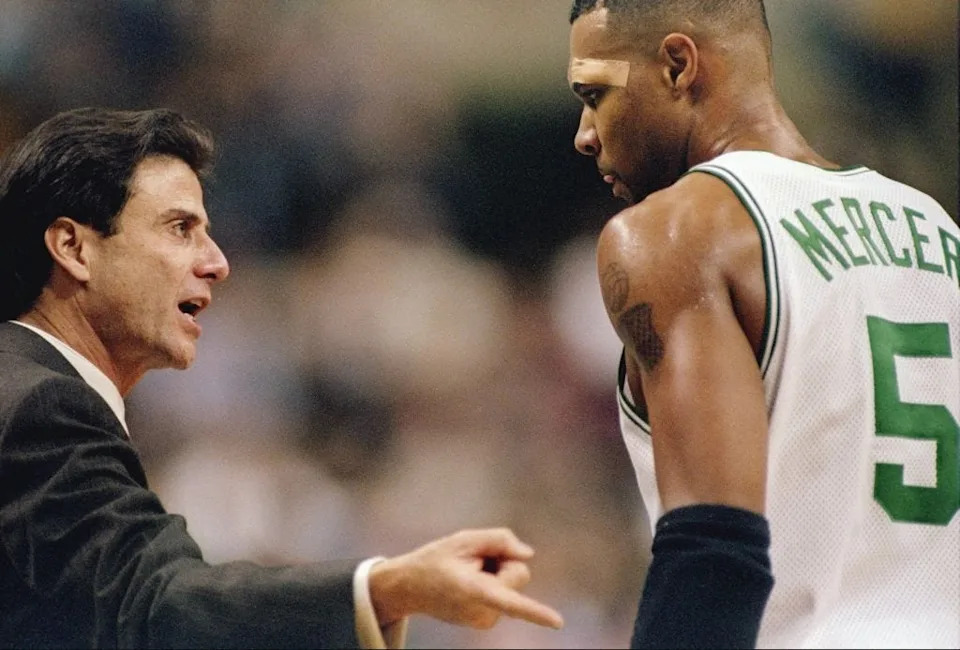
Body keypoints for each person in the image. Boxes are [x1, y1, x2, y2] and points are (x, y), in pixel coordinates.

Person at [0, 106, 564, 648]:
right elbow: (151, 604)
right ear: (73, 247)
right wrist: (389, 588)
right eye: (179, 228)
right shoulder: (43, 407)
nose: (216, 262)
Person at [565, 1, 960, 648]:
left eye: (595, 93)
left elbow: (714, 548)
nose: (585, 132)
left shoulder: (675, 231)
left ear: (677, 65)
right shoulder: (935, 226)